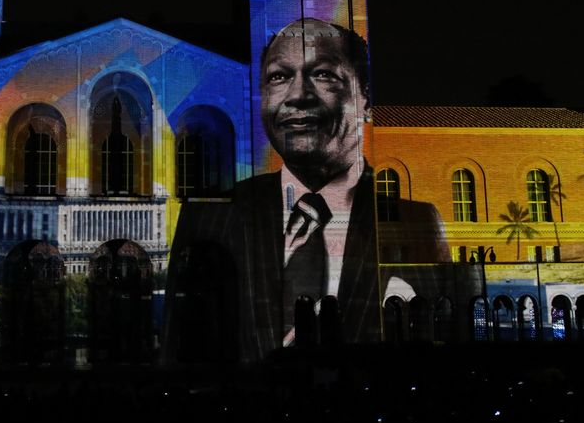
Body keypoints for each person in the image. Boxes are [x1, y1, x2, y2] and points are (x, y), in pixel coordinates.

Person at [161, 18, 445, 363]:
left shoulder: (416, 222)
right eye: (279, 77)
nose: (297, 96)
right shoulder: (208, 218)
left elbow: (439, 340)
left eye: (324, 74)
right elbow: (179, 349)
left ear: (366, 99)